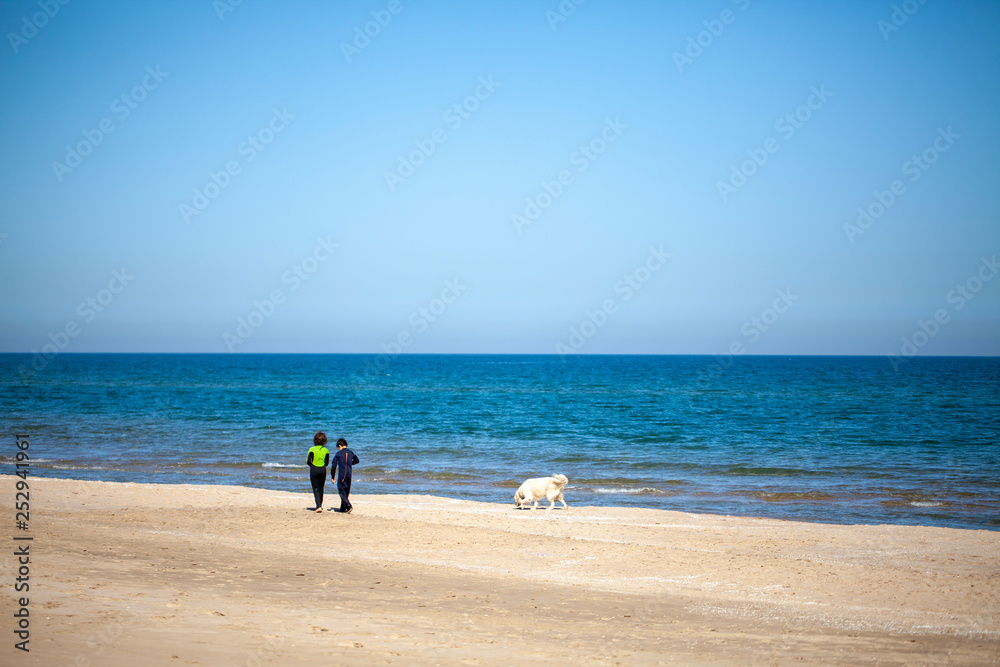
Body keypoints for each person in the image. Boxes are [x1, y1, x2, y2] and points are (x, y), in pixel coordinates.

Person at [330, 437, 359, 513]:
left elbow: (333, 465)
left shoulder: (339, 453)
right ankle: (342, 508)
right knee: (346, 490)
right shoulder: (351, 452)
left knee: (341, 488)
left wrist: (332, 477)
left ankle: (348, 506)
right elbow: (357, 460)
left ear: (339, 445)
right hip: (349, 474)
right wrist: (350, 463)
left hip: (342, 474)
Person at [306, 431, 330, 513]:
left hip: (314, 469)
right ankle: (320, 505)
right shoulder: (326, 450)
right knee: (321, 488)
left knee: (315, 488)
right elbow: (327, 463)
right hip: (323, 469)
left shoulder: (311, 449)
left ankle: (318, 506)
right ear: (324, 441)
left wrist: (313, 466)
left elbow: (308, 461)